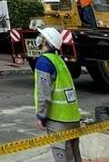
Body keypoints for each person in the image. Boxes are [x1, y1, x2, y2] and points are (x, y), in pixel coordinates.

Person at [34, 27, 82, 162]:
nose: (38, 39)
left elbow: (44, 93)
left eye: (41, 37)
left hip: (58, 121)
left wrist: (41, 116)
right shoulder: (59, 60)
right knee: (75, 157)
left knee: (63, 158)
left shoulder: (44, 62)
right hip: (73, 118)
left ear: (46, 41)